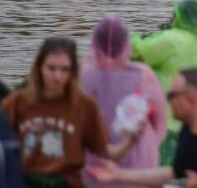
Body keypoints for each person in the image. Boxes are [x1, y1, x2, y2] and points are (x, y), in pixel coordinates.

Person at [87, 69, 197, 187]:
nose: (168, 102)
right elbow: (174, 173)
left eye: (172, 96)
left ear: (191, 99)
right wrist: (120, 175)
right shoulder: (187, 130)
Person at [2, 37, 137, 187]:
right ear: (39, 68)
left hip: (67, 182)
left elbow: (107, 154)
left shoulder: (85, 106)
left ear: (73, 72)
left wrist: (130, 141)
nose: (57, 76)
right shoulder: (18, 102)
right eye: (51, 68)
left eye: (64, 69)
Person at [131, 0, 197, 163]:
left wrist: (130, 36)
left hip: (172, 121)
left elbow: (139, 53)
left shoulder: (171, 40)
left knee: (169, 172)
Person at [81, 15, 167, 188]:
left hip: (93, 160)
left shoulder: (82, 73)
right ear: (126, 44)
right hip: (139, 160)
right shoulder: (144, 75)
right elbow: (159, 120)